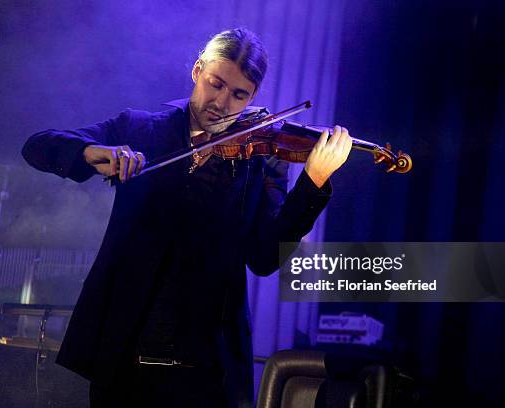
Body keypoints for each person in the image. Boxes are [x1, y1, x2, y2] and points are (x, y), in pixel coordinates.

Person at [22, 28, 352, 408]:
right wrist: (92, 152)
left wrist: (312, 183)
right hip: (124, 355)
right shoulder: (140, 128)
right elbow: (38, 146)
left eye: (239, 95)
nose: (222, 102)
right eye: (216, 84)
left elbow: (263, 257)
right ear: (198, 70)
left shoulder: (263, 157)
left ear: (253, 98)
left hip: (205, 369)